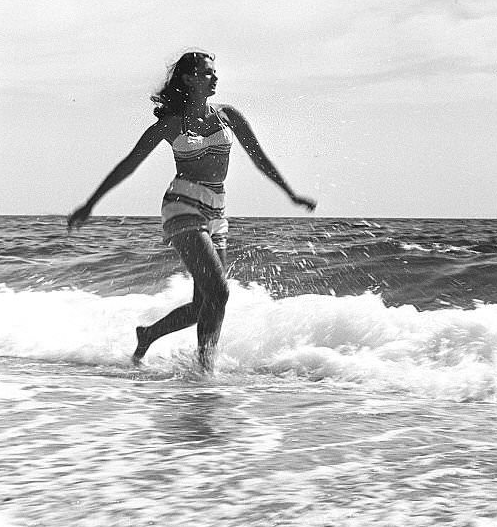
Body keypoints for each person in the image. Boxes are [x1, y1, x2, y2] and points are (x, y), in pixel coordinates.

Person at [67, 50, 316, 370]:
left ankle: (149, 334)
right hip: (182, 206)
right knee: (220, 292)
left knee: (206, 302)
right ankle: (205, 371)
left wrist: (290, 193)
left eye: (214, 73)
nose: (215, 77)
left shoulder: (228, 116)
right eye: (207, 73)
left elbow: (259, 158)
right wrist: (91, 204)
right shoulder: (171, 124)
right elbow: (129, 164)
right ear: (189, 78)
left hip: (217, 211)